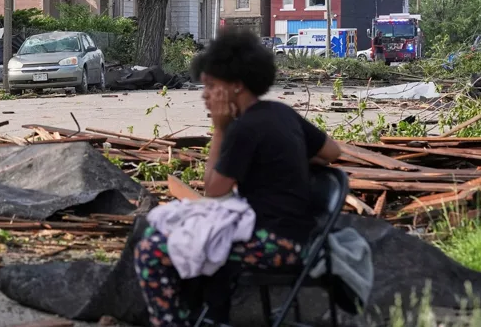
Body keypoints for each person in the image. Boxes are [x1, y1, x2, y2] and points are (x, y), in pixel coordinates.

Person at [133, 29, 342, 327]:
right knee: (179, 242)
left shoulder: (244, 129)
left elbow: (215, 190)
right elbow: (331, 152)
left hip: (275, 244)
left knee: (151, 251)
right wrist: (285, 152)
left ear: (236, 86)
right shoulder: (281, 113)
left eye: (211, 85)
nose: (205, 94)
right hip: (298, 237)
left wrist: (220, 128)